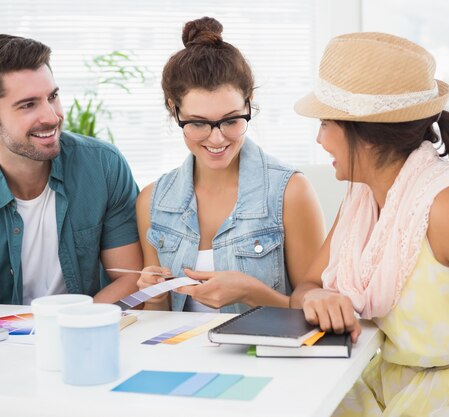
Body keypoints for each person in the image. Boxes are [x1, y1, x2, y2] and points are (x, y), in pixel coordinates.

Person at [290, 32, 449, 416]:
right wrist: (317, 297)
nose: (319, 138)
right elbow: (306, 287)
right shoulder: (361, 199)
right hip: (388, 384)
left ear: (367, 133)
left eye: (326, 123)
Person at [0, 34, 143, 305]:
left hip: (84, 334)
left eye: (53, 96)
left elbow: (131, 278)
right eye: (28, 105)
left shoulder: (103, 166)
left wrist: (66, 329)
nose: (51, 116)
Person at [131, 17, 325, 313]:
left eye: (232, 120)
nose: (217, 138)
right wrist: (156, 297)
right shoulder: (152, 201)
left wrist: (251, 293)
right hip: (177, 359)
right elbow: (157, 324)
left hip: (261, 359)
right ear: (174, 110)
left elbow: (315, 311)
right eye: (198, 123)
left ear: (250, 103)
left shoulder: (290, 193)